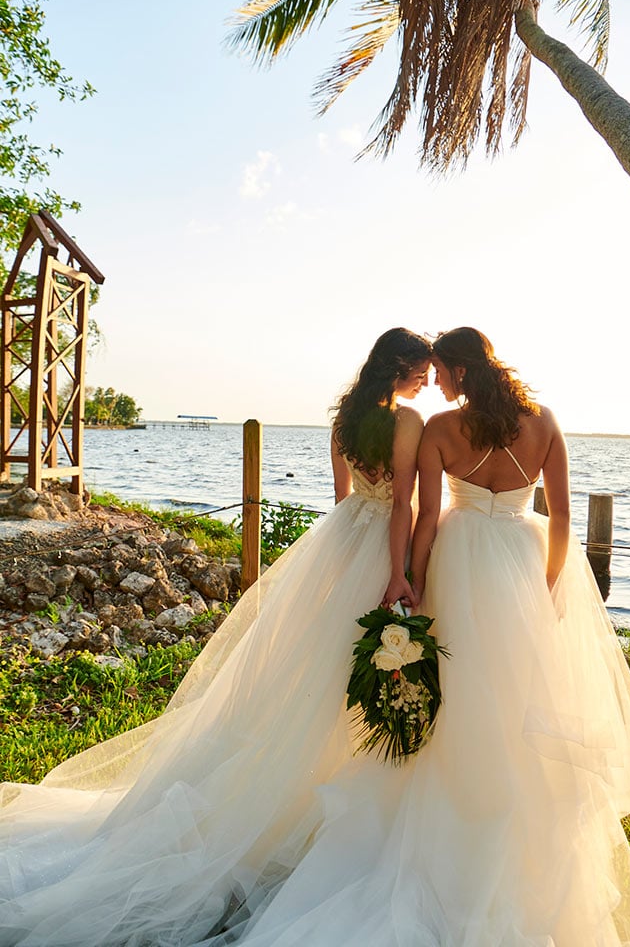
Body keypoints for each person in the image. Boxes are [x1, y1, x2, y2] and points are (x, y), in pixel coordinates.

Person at [211, 327, 630, 946]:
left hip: (463, 559)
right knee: (513, 693)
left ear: (461, 371)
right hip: (524, 563)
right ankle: (508, 818)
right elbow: (559, 515)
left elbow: (423, 517)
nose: (438, 382)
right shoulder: (545, 421)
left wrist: (413, 583)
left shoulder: (444, 430)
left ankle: (447, 806)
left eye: (443, 373)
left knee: (457, 686)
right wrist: (550, 584)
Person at [0, 328, 432, 947]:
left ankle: (310, 804)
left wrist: (344, 557)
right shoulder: (408, 420)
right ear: (399, 367)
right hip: (378, 548)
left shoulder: (346, 417)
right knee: (346, 680)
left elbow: (345, 499)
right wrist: (400, 571)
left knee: (309, 682)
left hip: (339, 542)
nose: (425, 380)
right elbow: (402, 507)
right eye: (420, 369)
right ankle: (324, 814)